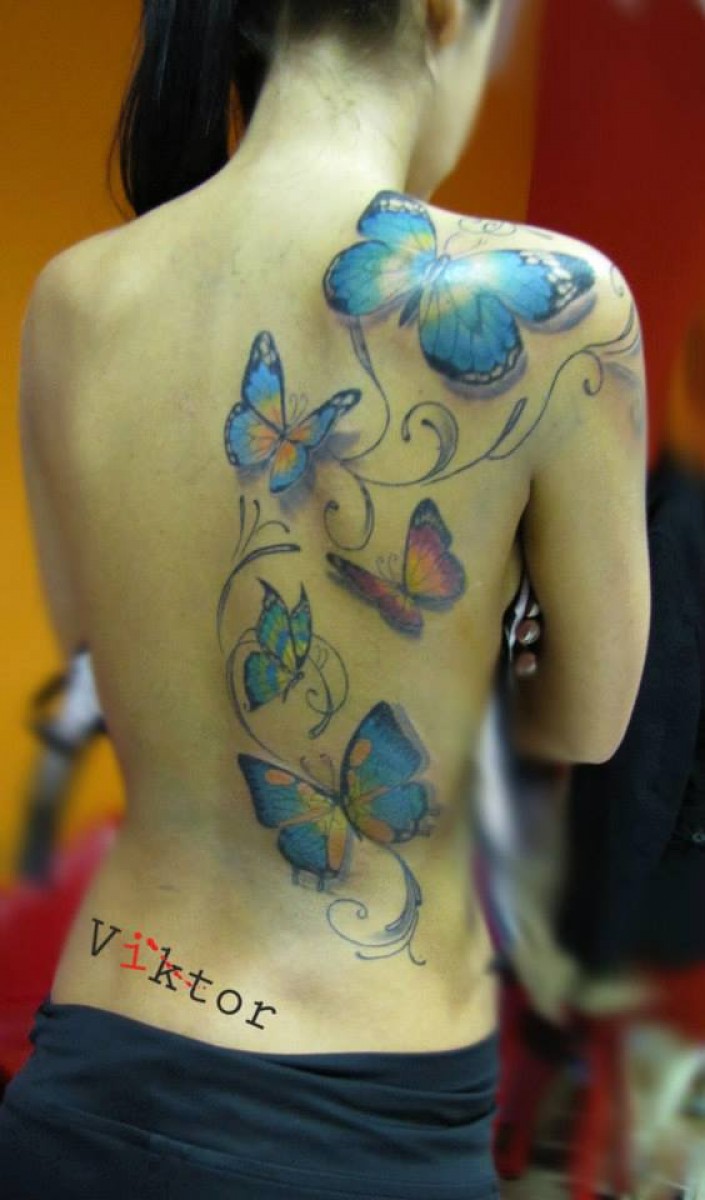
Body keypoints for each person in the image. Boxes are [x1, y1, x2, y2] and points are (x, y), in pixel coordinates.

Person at [0, 1, 650, 1196]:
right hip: (365, 1118)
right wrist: (480, 646)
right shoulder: (561, 303)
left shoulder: (73, 301)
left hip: (99, 1052)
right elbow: (590, 721)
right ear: (447, 11)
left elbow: (97, 639)